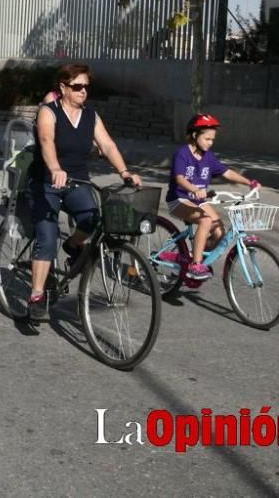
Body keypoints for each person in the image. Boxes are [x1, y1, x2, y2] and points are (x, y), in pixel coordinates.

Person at [26, 63, 141, 323]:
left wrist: (125, 172)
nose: (83, 92)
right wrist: (55, 168)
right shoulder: (49, 111)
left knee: (93, 219)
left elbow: (107, 144)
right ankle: (36, 295)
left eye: (86, 87)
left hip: (77, 180)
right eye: (77, 87)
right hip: (46, 182)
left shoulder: (90, 116)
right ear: (63, 88)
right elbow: (46, 140)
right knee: (47, 234)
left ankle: (73, 243)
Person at [164, 114, 260, 286]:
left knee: (219, 232)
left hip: (199, 201)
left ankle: (197, 257)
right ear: (195, 135)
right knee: (206, 220)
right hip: (179, 199)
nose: (210, 142)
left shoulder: (209, 157)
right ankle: (195, 265)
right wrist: (194, 189)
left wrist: (249, 182)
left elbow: (227, 172)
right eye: (207, 138)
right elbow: (179, 178)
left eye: (212, 139)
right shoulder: (183, 154)